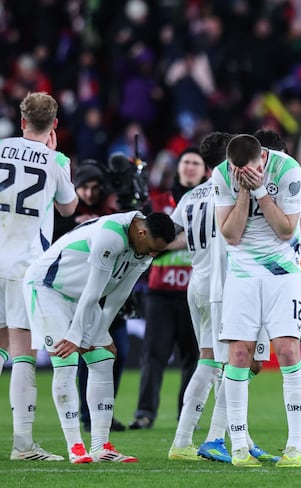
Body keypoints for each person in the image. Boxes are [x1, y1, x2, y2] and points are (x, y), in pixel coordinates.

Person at [24, 211, 175, 463]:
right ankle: (76, 447)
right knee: (66, 360)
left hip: (80, 296)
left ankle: (101, 446)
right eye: (152, 249)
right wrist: (75, 336)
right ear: (142, 232)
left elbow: (118, 295)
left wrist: (98, 332)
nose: (153, 255)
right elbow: (95, 290)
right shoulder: (111, 235)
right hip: (48, 288)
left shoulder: (145, 250)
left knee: (104, 357)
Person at [171, 131, 281, 465]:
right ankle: (218, 438)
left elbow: (174, 234)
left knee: (209, 362)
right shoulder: (231, 189)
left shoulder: (190, 197)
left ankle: (187, 441)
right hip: (226, 284)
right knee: (235, 364)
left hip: (198, 283)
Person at [212, 134, 301, 468]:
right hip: (242, 274)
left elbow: (285, 230)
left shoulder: (288, 169)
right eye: (237, 172)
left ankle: (295, 448)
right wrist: (243, 190)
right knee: (238, 355)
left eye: (249, 172)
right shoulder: (223, 174)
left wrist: (261, 191)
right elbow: (231, 234)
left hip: (283, 273)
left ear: (263, 160)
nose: (242, 175)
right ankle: (238, 447)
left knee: (286, 351)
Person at [1, 92, 77, 461]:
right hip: (23, 266)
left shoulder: (0, 149)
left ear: (21, 120)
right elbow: (68, 206)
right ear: (55, 124)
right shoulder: (55, 160)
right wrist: (57, 155)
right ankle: (23, 444)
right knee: (22, 353)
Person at [130, 148, 203, 430]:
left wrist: (167, 239)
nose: (190, 167)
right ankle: (144, 413)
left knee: (193, 358)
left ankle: (187, 415)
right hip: (160, 291)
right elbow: (145, 244)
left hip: (194, 291)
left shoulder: (210, 200)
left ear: (204, 171)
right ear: (178, 168)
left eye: (196, 163)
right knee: (153, 355)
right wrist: (182, 239)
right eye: (186, 162)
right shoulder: (158, 201)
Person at [55, 161, 127, 434]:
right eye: (83, 187)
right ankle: (86, 415)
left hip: (109, 294)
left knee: (118, 353)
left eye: (93, 187)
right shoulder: (64, 214)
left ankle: (104, 411)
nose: (88, 193)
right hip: (76, 292)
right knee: (86, 355)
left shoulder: (113, 212)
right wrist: (80, 228)